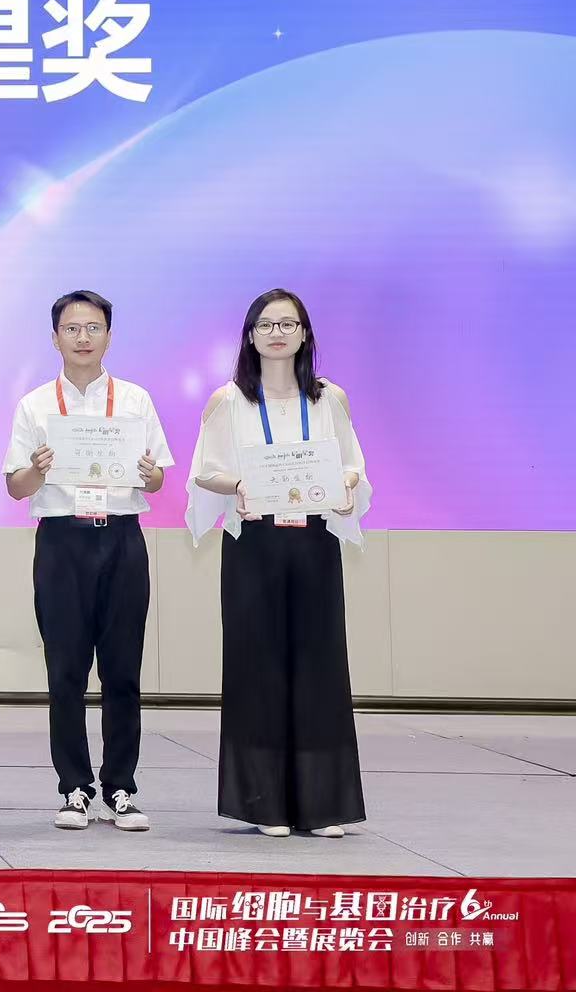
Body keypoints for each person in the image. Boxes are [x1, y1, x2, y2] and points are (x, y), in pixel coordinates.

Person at [186, 288, 370, 838]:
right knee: (257, 667)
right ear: (250, 335)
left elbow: (353, 464)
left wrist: (345, 487)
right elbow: (204, 471)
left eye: (288, 324)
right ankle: (264, 804)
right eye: (266, 324)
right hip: (255, 545)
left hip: (314, 542)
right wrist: (240, 484)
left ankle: (322, 804)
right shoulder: (228, 400)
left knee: (320, 666)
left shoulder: (329, 398)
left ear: (305, 333)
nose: (277, 333)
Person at [3, 290, 174, 832]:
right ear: (55, 337)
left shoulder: (135, 400)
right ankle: (75, 788)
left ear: (109, 336)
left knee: (123, 670)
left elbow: (159, 478)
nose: (83, 337)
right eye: (72, 328)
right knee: (66, 672)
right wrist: (37, 469)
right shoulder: (35, 404)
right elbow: (15, 487)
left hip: (121, 539)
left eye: (93, 328)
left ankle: (121, 787)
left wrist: (147, 473)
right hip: (62, 542)